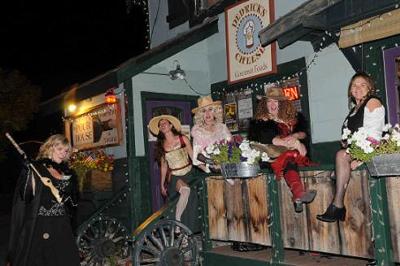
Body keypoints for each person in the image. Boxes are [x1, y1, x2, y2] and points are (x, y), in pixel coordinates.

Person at [317, 72, 385, 222]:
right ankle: (338, 205)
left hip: (372, 152)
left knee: (341, 156)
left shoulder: (372, 102)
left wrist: (360, 159)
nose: (358, 88)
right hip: (355, 151)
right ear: (350, 90)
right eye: (354, 85)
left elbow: (375, 137)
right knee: (338, 160)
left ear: (370, 88)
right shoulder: (354, 109)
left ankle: (337, 205)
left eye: (362, 85)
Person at [7, 134, 80, 266]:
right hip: (43, 224)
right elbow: (27, 195)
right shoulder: (38, 169)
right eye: (60, 149)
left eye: (66, 150)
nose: (63, 153)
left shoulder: (67, 173)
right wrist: (28, 172)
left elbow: (74, 202)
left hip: (62, 224)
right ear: (50, 148)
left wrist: (68, 197)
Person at [248, 87, 316, 213]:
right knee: (290, 156)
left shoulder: (293, 117)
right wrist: (293, 143)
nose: (272, 104)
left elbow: (304, 133)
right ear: (264, 104)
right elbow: (267, 138)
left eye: (276, 101)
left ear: (282, 103)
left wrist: (296, 137)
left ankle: (298, 195)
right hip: (272, 158)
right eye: (269, 101)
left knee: (291, 157)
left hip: (295, 157)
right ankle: (299, 193)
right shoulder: (260, 121)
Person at [148, 115, 197, 231]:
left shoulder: (182, 138)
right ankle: (177, 222)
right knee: (185, 190)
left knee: (190, 205)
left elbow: (193, 157)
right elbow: (164, 166)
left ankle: (186, 236)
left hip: (189, 173)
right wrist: (161, 184)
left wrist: (206, 167)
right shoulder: (161, 145)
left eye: (165, 123)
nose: (163, 125)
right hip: (175, 176)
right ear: (160, 129)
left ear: (171, 125)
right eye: (160, 125)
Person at [191, 95, 232, 173]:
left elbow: (231, 147)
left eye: (210, 109)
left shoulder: (222, 128)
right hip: (212, 172)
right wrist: (209, 170)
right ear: (200, 115)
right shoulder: (198, 132)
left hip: (228, 168)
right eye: (203, 111)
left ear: (215, 111)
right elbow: (197, 158)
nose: (207, 113)